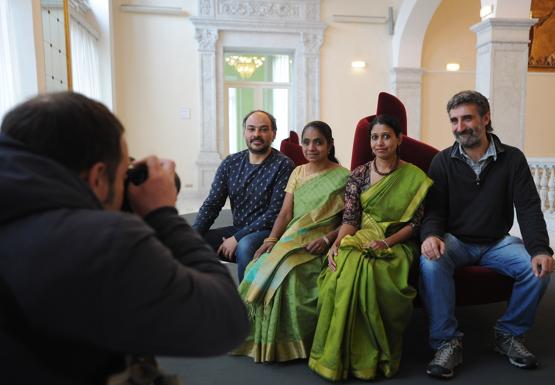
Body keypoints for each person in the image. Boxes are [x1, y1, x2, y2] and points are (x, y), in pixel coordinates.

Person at [0, 92, 249, 385]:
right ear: (97, 177)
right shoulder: (103, 240)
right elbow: (224, 322)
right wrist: (163, 213)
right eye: (121, 177)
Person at [419, 90, 555, 379]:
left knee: (538, 269)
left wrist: (541, 248)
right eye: (454, 120)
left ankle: (507, 334)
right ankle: (446, 342)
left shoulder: (513, 159)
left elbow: (529, 208)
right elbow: (433, 211)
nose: (460, 127)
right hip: (455, 240)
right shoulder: (442, 162)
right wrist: (431, 235)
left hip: (497, 242)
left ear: (486, 117)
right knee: (430, 263)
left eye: (467, 118)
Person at [308, 115, 432, 381]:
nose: (379, 143)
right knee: (342, 269)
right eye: (375, 137)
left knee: (377, 276)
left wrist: (386, 242)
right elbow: (350, 220)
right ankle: (340, 356)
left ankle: (373, 357)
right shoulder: (359, 175)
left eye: (386, 136)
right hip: (361, 235)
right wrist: (336, 244)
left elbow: (414, 225)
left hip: (398, 242)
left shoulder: (415, 177)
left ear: (399, 139)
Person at [231, 121, 349, 363]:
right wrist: (272, 239)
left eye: (318, 142)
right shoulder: (297, 172)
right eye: (306, 142)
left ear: (330, 145)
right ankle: (255, 338)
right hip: (292, 238)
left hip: (318, 243)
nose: (311, 147)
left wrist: (327, 240)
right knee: (257, 267)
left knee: (292, 277)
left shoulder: (344, 177)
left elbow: (349, 218)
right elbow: (285, 213)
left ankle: (292, 345)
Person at [193, 110, 294, 281]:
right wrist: (191, 235)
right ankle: (206, 295)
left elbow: (275, 213)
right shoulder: (230, 163)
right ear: (244, 132)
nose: (256, 134)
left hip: (268, 232)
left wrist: (237, 238)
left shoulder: (284, 165)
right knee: (194, 243)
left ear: (273, 134)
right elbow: (212, 204)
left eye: (263, 129)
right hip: (239, 228)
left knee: (245, 245)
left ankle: (247, 305)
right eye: (251, 129)